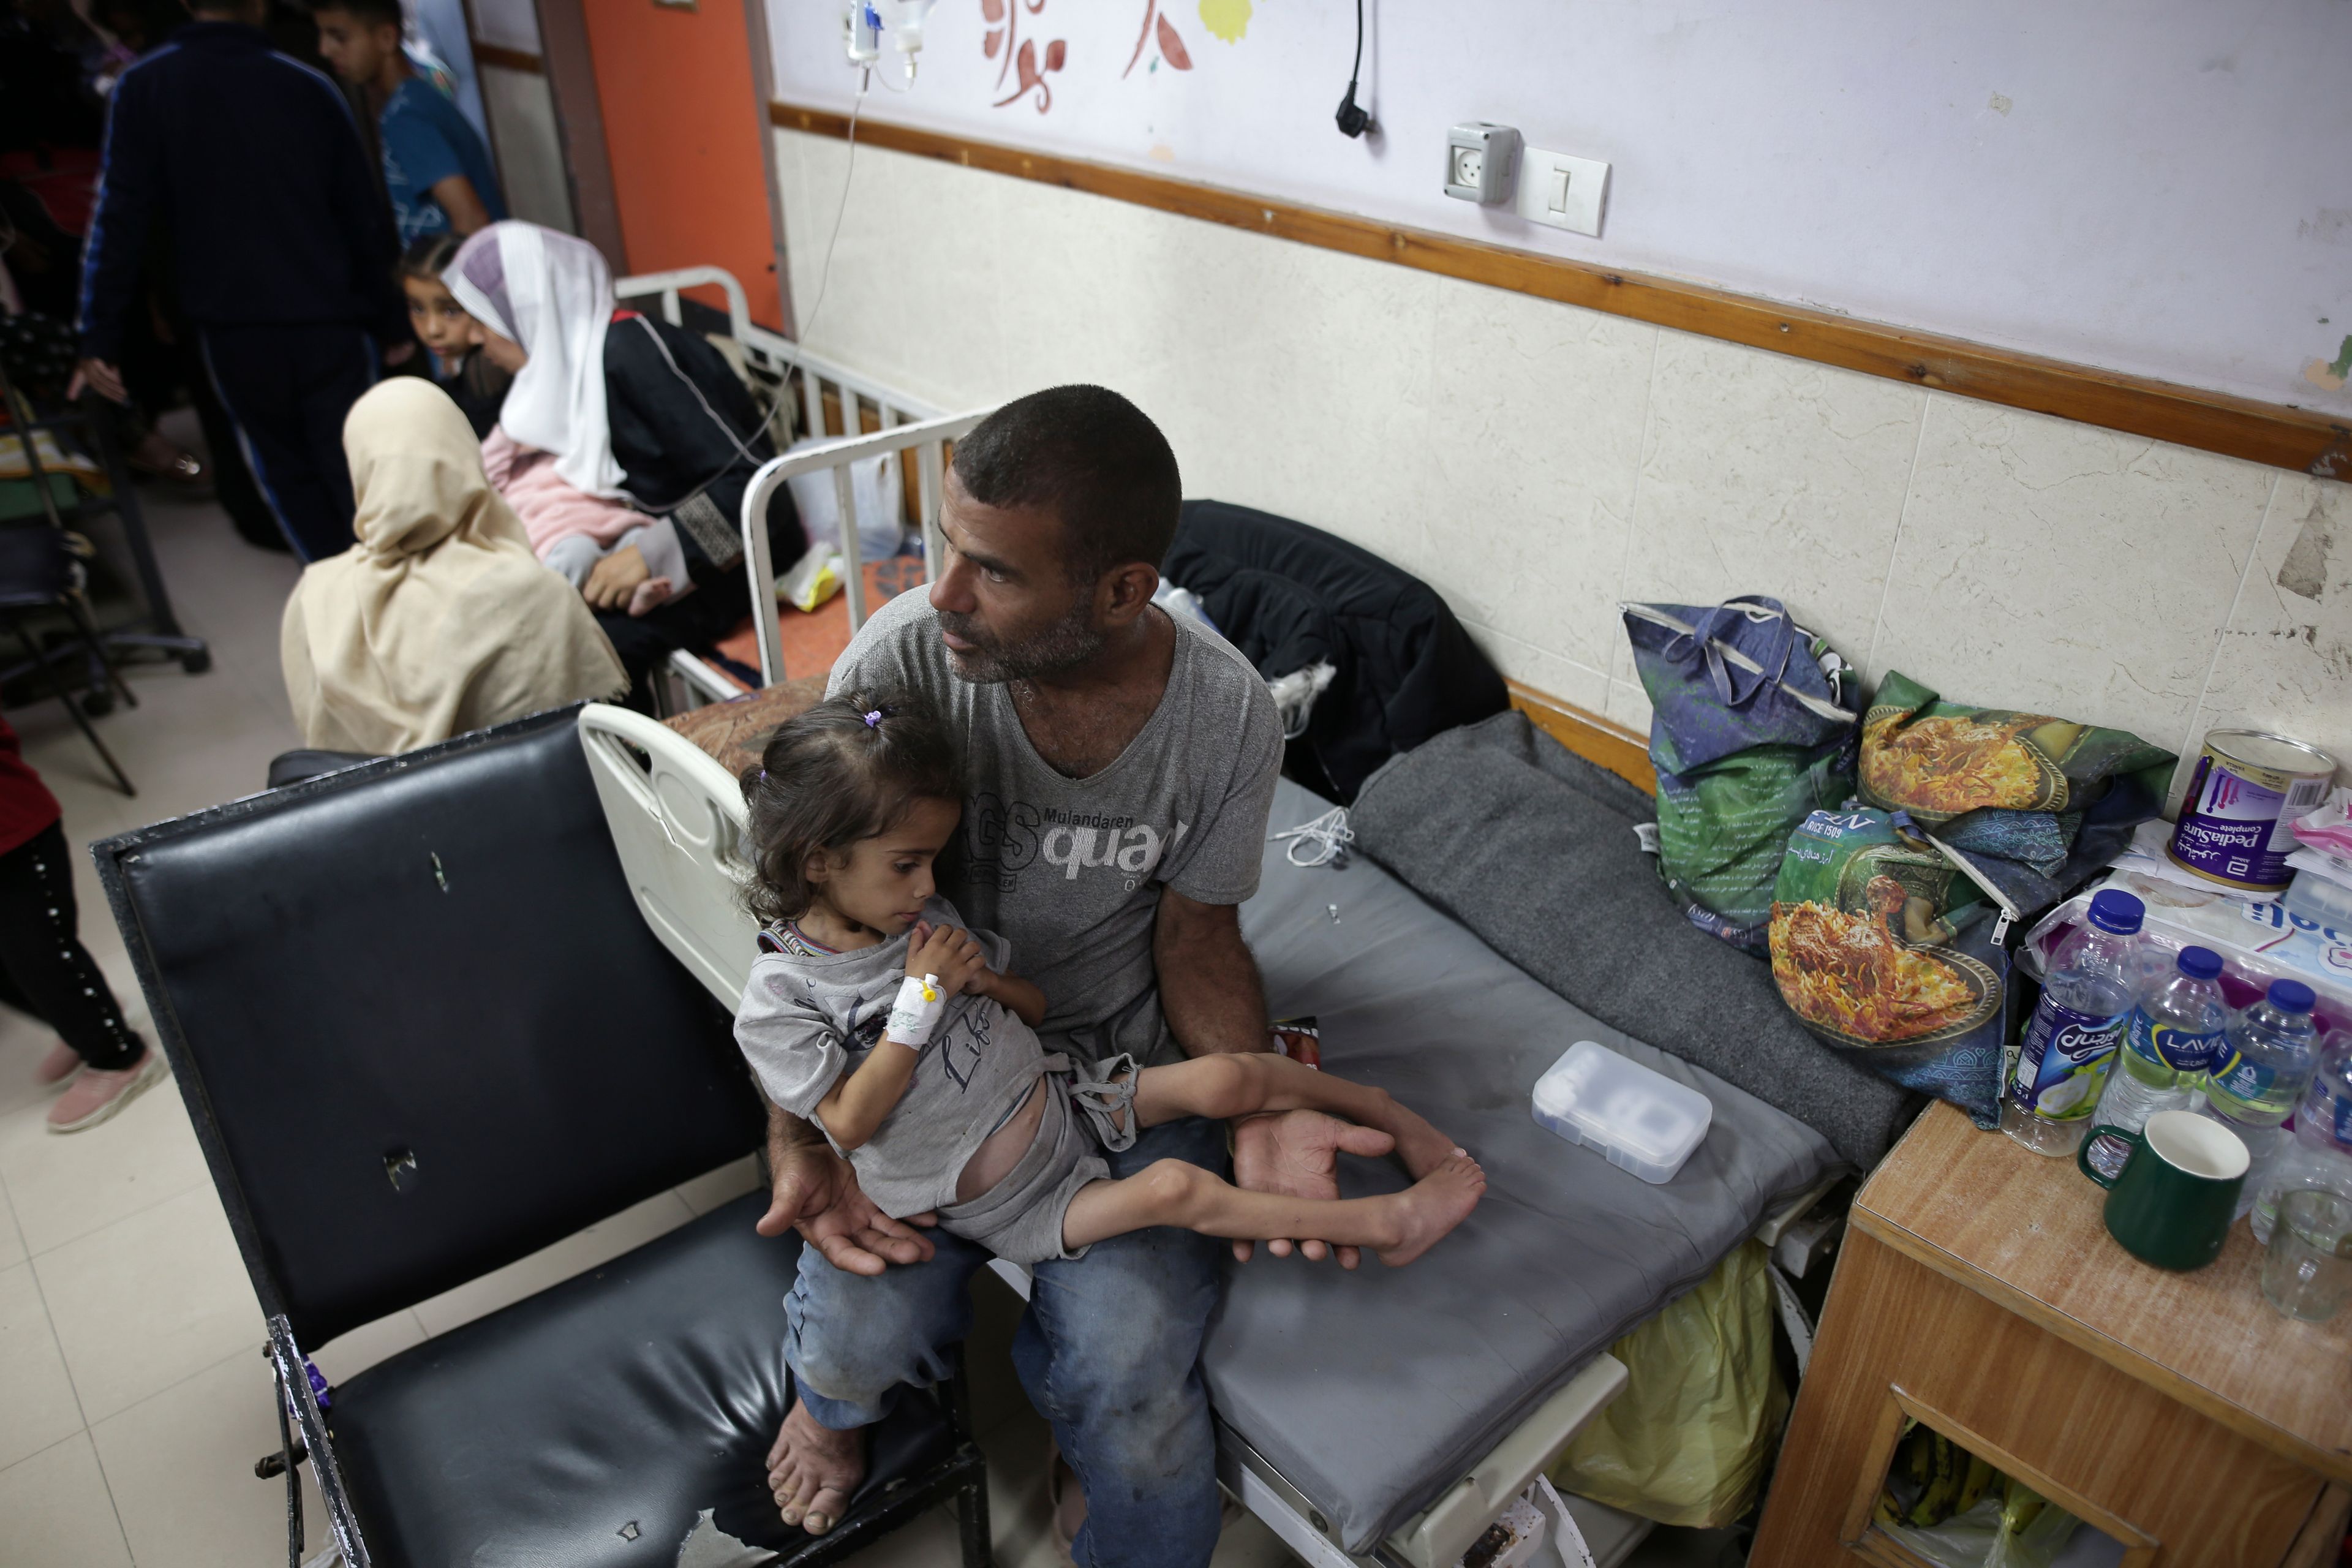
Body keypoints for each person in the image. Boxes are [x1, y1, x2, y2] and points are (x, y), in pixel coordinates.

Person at [760, 386, 1461, 1562]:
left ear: (1123, 590)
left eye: (993, 572)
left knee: (1129, 1378)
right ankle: (828, 1413)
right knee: (855, 1329)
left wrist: (1268, 1092)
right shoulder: (903, 672)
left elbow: (1198, 937)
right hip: (921, 1069)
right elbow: (809, 917)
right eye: (945, 549)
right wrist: (804, 1141)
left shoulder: (1224, 712)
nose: (942, 595)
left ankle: (1091, 1458)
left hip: (1111, 1075)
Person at [734, 693, 1482, 1273]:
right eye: (907, 863)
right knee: (1176, 1193)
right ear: (818, 860)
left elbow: (1035, 1006)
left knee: (1228, 1076)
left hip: (1063, 1094)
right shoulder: (783, 996)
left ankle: (1385, 1108)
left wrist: (985, 983)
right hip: (1016, 1199)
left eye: (934, 858)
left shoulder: (923, 921)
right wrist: (923, 996)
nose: (929, 882)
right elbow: (848, 1123)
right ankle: (1393, 1224)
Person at [72, 0, 411, 562]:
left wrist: (99, 337)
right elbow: (362, 217)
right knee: (359, 464)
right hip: (328, 316)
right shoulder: (308, 84)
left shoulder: (143, 86)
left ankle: (335, 601)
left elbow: (117, 219)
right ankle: (397, 594)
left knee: (284, 468)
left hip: (231, 327)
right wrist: (391, 318)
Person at [445, 221, 804, 694]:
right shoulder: (568, 373)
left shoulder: (632, 354)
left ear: (532, 307)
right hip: (645, 553)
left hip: (732, 563)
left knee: (577, 651)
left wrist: (648, 555)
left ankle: (619, 765)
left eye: (483, 318)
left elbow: (759, 494)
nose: (473, 338)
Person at [279, 377, 625, 753]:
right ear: (464, 457)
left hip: (373, 810)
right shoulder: (529, 592)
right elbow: (589, 743)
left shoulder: (313, 596)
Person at [0, 713, 163, 1132]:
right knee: (16, 964)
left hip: (13, 837)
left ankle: (120, 1055)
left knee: (40, 953)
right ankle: (85, 1011)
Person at [312, 0, 503, 246]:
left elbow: (471, 220)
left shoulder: (406, 116)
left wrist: (437, 285)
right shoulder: (416, 98)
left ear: (387, 38)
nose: (325, 49)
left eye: (339, 37)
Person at [398, 232, 508, 435]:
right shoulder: (461, 357)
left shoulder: (486, 367)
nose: (433, 330)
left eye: (451, 311)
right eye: (418, 309)